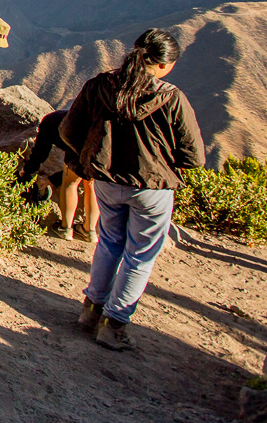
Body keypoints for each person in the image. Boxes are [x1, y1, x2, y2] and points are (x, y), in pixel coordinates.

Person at [60, 29, 205, 351]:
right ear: (166, 65)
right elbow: (194, 156)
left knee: (110, 242)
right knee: (139, 255)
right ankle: (115, 324)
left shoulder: (100, 85)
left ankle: (91, 310)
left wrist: (86, 156)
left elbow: (68, 128)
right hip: (152, 188)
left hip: (107, 182)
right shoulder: (171, 98)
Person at [18, 109, 99, 241]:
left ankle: (65, 229)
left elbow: (41, 152)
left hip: (78, 141)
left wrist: (28, 170)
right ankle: (90, 231)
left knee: (70, 183)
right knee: (91, 184)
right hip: (98, 143)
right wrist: (52, 179)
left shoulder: (49, 123)